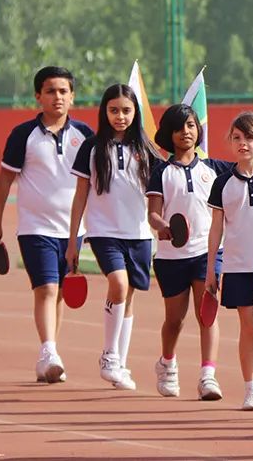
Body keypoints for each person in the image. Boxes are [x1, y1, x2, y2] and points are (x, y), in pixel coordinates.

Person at [0, 66, 93, 383]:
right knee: (46, 288)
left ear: (72, 96)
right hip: (35, 229)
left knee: (58, 292)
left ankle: (49, 354)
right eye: (50, 91)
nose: (57, 97)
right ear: (38, 96)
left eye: (63, 91)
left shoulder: (85, 136)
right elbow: (5, 180)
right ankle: (49, 352)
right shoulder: (23, 135)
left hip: (74, 231)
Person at [66, 84, 161, 390]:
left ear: (136, 113)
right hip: (104, 232)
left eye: (126, 110)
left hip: (139, 234)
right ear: (104, 112)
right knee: (118, 284)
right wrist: (74, 239)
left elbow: (164, 189)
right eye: (114, 110)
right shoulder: (91, 148)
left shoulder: (147, 150)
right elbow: (80, 196)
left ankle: (120, 361)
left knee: (129, 295)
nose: (120, 116)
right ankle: (108, 355)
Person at [146, 104, 234, 401]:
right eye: (179, 127)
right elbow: (153, 214)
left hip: (207, 254)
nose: (186, 132)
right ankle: (167, 363)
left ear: (199, 130)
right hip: (171, 257)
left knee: (207, 313)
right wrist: (163, 226)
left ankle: (208, 376)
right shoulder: (161, 172)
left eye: (191, 126)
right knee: (175, 319)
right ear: (168, 134)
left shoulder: (216, 169)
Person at [205, 112, 253, 410]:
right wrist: (212, 268)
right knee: (248, 327)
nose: (243, 144)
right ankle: (250, 388)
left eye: (249, 138)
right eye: (237, 138)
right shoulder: (222, 183)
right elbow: (216, 228)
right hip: (237, 265)